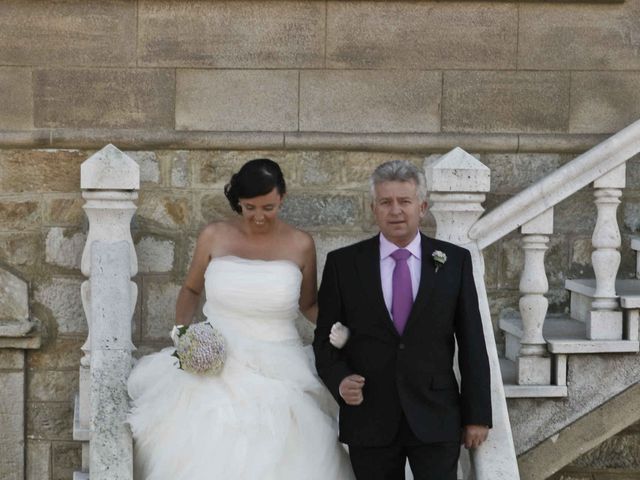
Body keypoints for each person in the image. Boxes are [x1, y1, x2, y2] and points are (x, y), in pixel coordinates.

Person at [128, 158, 354, 480]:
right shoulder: (214, 235)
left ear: (282, 198)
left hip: (281, 360)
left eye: (268, 207)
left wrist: (336, 328)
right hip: (219, 357)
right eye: (250, 208)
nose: (259, 217)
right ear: (238, 202)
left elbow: (308, 304)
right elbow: (191, 289)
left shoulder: (301, 244)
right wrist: (182, 333)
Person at [313, 160, 492, 480]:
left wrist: (477, 415)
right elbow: (324, 339)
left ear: (422, 207)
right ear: (374, 208)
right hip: (369, 416)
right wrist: (340, 380)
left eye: (404, 201)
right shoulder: (343, 265)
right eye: (386, 202)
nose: (395, 210)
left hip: (436, 414)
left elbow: (472, 342)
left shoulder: (454, 262)